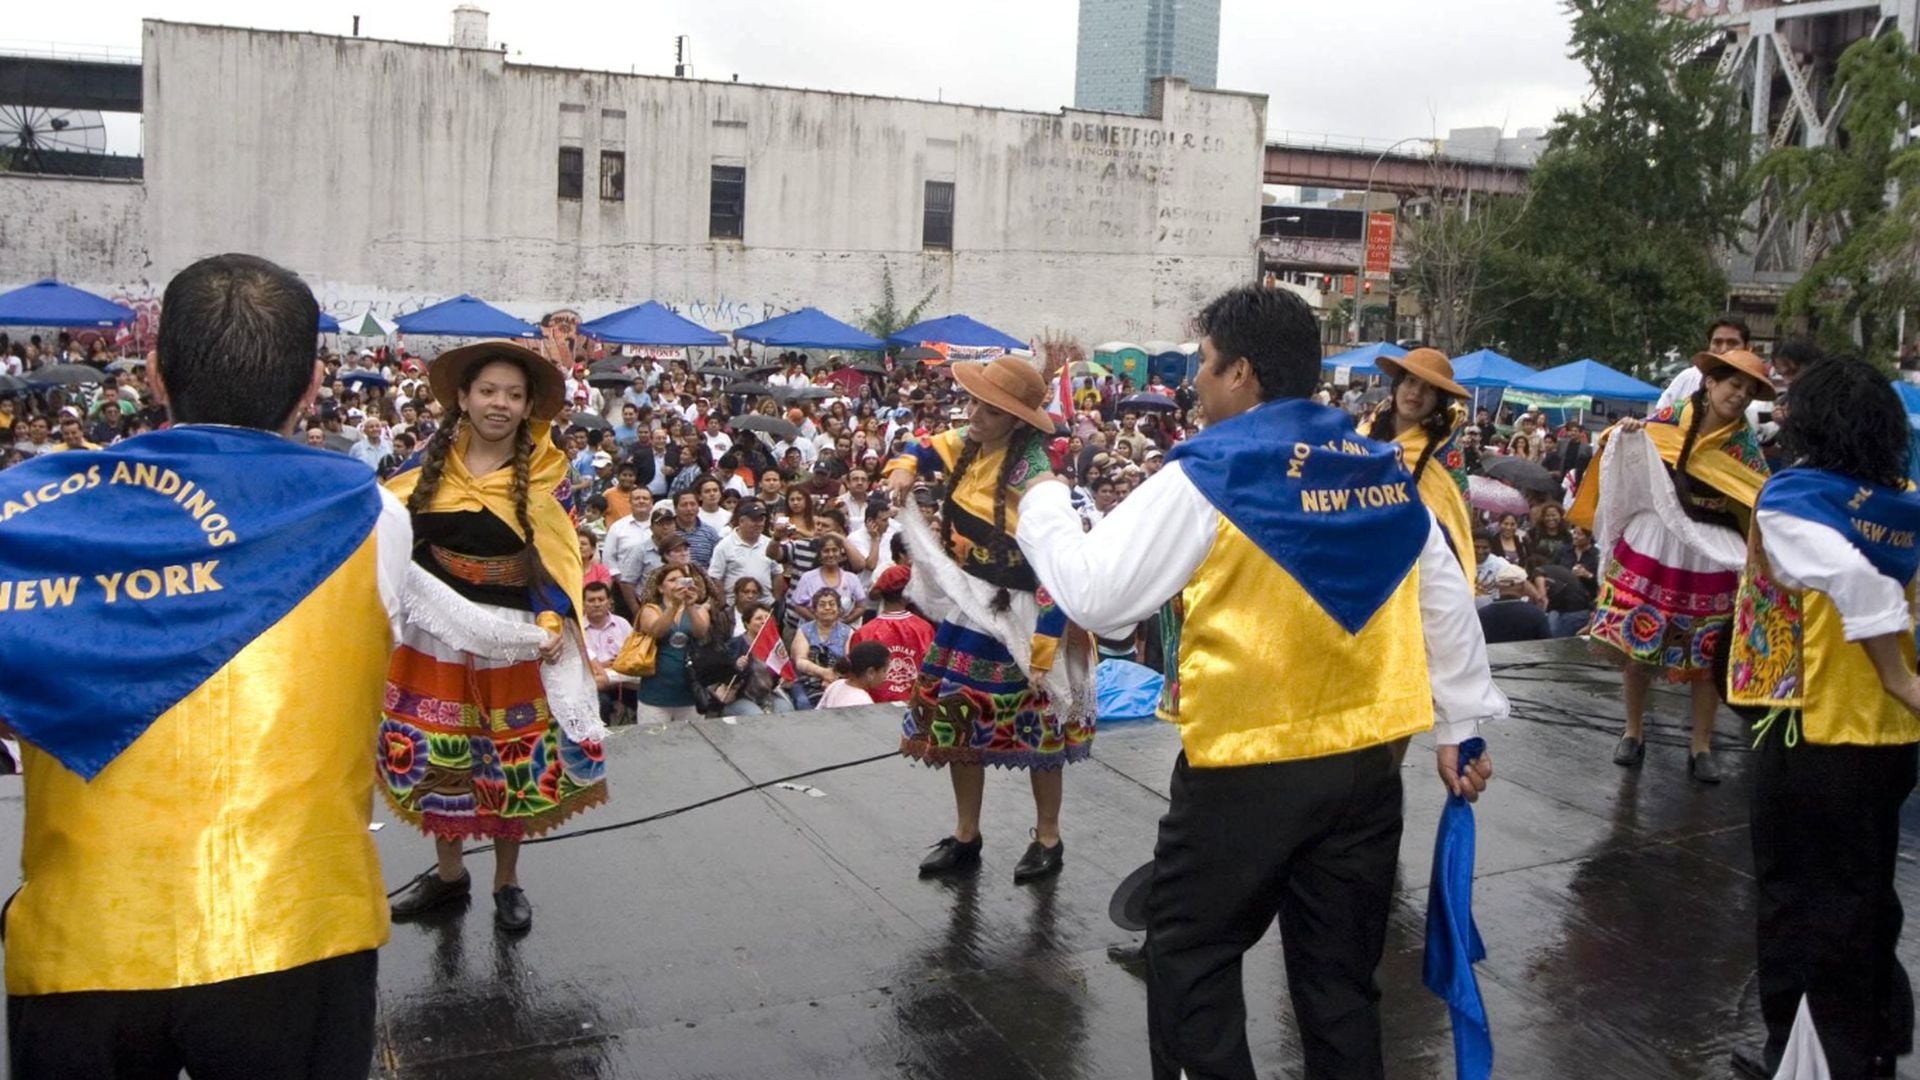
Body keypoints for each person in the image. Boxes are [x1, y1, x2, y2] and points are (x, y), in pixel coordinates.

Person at [1012, 285, 1503, 1080]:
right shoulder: (1381, 466)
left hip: (1247, 770)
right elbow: (1443, 598)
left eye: (1204, 365)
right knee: (1341, 979)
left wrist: (1040, 499)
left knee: (1192, 953)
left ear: (1241, 372)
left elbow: (1097, 597)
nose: (1196, 384)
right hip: (1369, 768)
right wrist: (1459, 728)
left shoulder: (1214, 470)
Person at [0, 253, 418, 1079]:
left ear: (154, 374)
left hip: (84, 942)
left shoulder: (25, 511)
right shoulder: (374, 516)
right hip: (297, 935)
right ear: (311, 385)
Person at [1726, 358, 1920, 1080]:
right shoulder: (1904, 504)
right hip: (1890, 737)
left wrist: (1899, 677)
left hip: (1811, 724)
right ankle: (1875, 1039)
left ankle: (1810, 1059)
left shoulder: (1799, 499)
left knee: (1796, 900)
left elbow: (1850, 580)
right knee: (1866, 895)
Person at [382, 340, 607, 934]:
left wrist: (553, 619)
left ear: (529, 406)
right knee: (441, 758)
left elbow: (558, 565)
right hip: (435, 639)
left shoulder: (547, 483)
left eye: (513, 394)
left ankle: (507, 881)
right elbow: (389, 549)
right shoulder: (421, 473)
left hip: (510, 638)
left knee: (510, 761)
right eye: (487, 391)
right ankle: (449, 876)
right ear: (463, 398)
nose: (499, 404)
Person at [884, 355, 1095, 886]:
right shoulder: (970, 442)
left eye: (990, 408)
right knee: (959, 716)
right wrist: (905, 468)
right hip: (973, 606)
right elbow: (924, 445)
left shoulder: (1041, 486)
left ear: (1018, 421)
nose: (975, 414)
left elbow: (1057, 571)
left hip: (1028, 614)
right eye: (974, 401)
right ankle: (965, 835)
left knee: (1043, 729)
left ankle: (1047, 837)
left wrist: (1044, 648)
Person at [1571, 348, 1773, 783]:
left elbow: (1758, 496)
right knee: (1638, 646)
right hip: (1657, 542)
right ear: (1710, 383)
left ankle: (1701, 744)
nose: (1739, 396)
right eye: (1733, 385)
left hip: (1711, 549)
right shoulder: (1666, 422)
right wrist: (1622, 435)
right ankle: (1632, 730)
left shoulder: (1744, 447)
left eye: (1748, 391)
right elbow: (1619, 451)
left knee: (1707, 653)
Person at [1365, 347, 1474, 574]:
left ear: (1438, 400)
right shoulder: (1363, 434)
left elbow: (1454, 522)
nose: (1416, 393)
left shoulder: (1445, 455)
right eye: (1411, 382)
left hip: (1415, 571)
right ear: (1397, 386)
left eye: (1429, 388)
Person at [633, 564, 712, 724]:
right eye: (672, 580)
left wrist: (689, 605)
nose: (678, 584)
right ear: (661, 588)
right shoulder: (651, 610)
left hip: (690, 692)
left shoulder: (699, 609)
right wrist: (674, 606)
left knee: (691, 742)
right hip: (656, 693)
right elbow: (657, 631)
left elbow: (701, 632)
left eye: (681, 580)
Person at [850, 565, 934, 704]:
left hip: (872, 710)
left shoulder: (864, 632)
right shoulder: (924, 629)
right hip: (914, 708)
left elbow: (855, 678)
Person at [580, 579, 636, 726]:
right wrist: (600, 666)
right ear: (583, 604)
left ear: (609, 602)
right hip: (596, 683)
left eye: (601, 599)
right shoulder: (577, 629)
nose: (597, 604)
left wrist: (622, 662)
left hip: (625, 681)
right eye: (591, 600)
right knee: (601, 702)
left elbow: (634, 653)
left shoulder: (622, 624)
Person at [792, 589, 854, 707]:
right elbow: (800, 661)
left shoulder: (848, 632)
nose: (827, 608)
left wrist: (833, 677)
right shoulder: (804, 630)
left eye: (832, 604)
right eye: (822, 605)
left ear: (839, 609)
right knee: (803, 702)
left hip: (837, 680)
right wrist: (823, 673)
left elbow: (849, 661)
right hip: (806, 680)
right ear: (814, 610)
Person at [817, 642, 893, 708]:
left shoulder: (836, 685)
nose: (885, 676)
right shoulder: (863, 702)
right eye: (884, 671)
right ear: (871, 672)